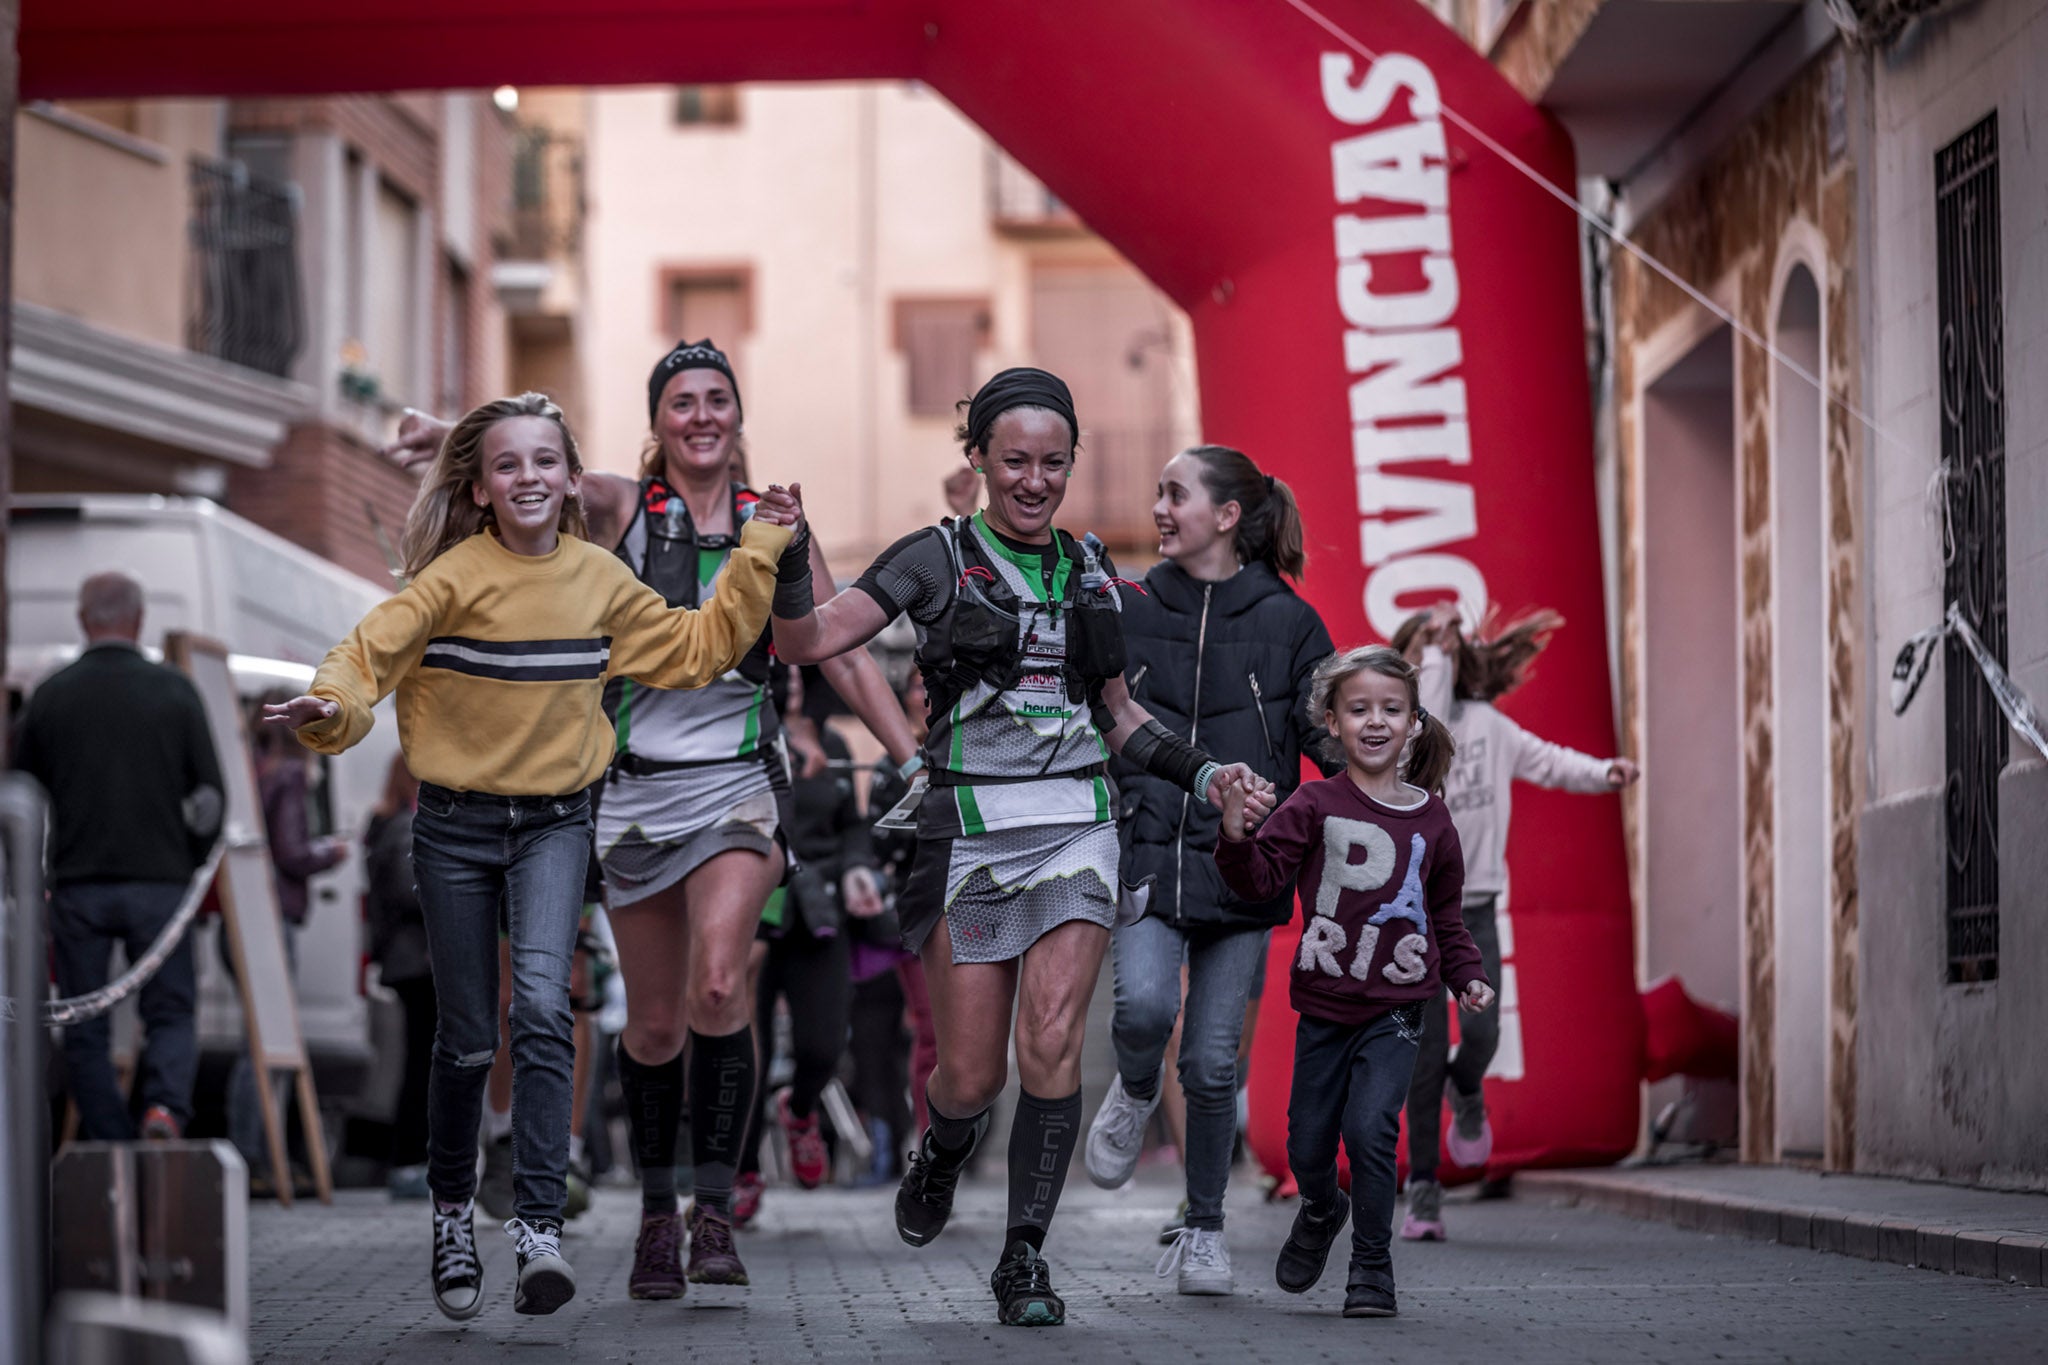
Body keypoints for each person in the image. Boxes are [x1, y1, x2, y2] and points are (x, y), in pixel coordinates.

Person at [384, 341, 917, 1301]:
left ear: (738, 415)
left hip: (739, 787)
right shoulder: (621, 507)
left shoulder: (776, 522)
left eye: (718, 399)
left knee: (723, 985)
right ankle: (657, 1215)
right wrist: (443, 440)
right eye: (683, 402)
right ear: (659, 419)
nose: (702, 415)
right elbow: (525, 465)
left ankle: (716, 1211)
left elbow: (836, 645)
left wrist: (910, 757)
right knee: (659, 1022)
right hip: (632, 792)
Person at [264, 391, 797, 1321]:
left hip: (555, 822)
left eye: (545, 461)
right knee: (470, 1037)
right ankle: (450, 1214)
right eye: (508, 465)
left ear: (568, 476)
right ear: (478, 487)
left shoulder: (599, 580)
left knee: (546, 1010)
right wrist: (333, 709)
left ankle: (538, 1229)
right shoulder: (448, 581)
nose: (529, 478)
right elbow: (364, 657)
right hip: (456, 830)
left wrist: (758, 553)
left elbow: (698, 647)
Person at [769, 366, 1273, 1327]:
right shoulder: (934, 555)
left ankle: (1024, 1260)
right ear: (980, 462)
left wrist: (1205, 774)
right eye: (1015, 462)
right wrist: (792, 554)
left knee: (1048, 1043)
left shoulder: (1089, 569)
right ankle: (944, 1147)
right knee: (970, 1077)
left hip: (1078, 822)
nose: (1034, 481)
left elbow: (1118, 715)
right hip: (966, 829)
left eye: (1053, 463)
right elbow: (809, 640)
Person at [1082, 444, 1338, 1295]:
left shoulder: (1292, 622)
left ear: (1226, 517)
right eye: (1157, 492)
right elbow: (1098, 718)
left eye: (1174, 495)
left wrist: (1380, 749)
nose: (1159, 508)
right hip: (1150, 849)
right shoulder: (1130, 606)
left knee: (1215, 1061)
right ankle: (1132, 1084)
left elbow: (1323, 741)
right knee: (1146, 1007)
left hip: (1244, 868)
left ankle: (1202, 1229)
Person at [1213, 645, 1493, 1319]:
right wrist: (1233, 836)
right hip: (1325, 1007)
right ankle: (1320, 1207)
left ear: (1414, 723)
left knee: (1371, 1129)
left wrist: (1467, 977)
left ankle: (1372, 1267)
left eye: (1391, 709)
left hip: (1398, 1008)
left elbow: (1446, 919)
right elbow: (1256, 881)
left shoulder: (1433, 818)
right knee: (1308, 1145)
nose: (1375, 721)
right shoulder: (1314, 803)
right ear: (1331, 722)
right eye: (1358, 708)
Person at [1391, 605, 1640, 1239]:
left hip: (1473, 910)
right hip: (1413, 913)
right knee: (1420, 1058)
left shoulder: (1494, 729)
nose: (1439, 652)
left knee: (1480, 1036)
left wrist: (1603, 773)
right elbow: (1433, 713)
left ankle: (1467, 1092)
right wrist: (1438, 649)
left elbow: (1551, 762)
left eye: (1446, 644)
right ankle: (1423, 1191)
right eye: (1425, 646)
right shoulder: (1406, 736)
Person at [13, 571, 224, 1142]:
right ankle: (162, 1110)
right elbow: (210, 797)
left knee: (82, 1019)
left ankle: (107, 1137)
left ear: (84, 620)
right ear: (139, 618)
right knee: (171, 1011)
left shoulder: (51, 694)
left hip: (78, 885)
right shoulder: (175, 691)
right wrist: (193, 859)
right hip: (159, 883)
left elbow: (19, 796)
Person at [733, 669, 882, 1212]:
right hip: (754, 903)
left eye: (799, 673)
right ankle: (743, 1172)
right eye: (780, 672)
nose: (790, 681)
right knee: (747, 1049)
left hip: (817, 908)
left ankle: (800, 1109)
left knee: (823, 1044)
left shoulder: (834, 741)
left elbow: (854, 827)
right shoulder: (743, 731)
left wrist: (858, 870)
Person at [230, 695, 348, 1183]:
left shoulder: (248, 773)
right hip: (275, 913)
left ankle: (253, 1151)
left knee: (253, 1038)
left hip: (243, 912)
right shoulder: (291, 775)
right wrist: (333, 851)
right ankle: (256, 1156)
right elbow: (293, 852)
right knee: (268, 1043)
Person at [364, 754, 434, 1200]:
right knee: (423, 1063)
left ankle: (411, 1160)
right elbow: (413, 892)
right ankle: (411, 1161)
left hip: (405, 962)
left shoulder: (382, 826)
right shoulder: (405, 826)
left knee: (418, 1060)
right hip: (421, 962)